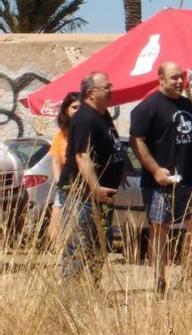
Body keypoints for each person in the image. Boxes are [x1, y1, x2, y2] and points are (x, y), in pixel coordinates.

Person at [130, 62, 192, 294]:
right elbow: (137, 141)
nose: (178, 82)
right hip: (159, 184)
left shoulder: (188, 106)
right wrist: (155, 169)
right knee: (159, 228)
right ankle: (159, 280)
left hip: (188, 181)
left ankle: (189, 277)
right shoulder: (148, 107)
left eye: (181, 77)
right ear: (160, 79)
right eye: (173, 77)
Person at [57, 71, 125, 282]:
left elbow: (111, 145)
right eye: (107, 87)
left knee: (100, 244)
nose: (111, 90)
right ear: (91, 93)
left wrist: (121, 169)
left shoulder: (102, 115)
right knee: (78, 245)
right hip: (82, 195)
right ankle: (70, 292)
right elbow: (82, 156)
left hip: (103, 197)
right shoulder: (84, 118)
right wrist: (95, 188)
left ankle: (92, 287)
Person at [47, 92, 81, 247]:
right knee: (57, 216)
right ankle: (57, 252)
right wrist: (59, 181)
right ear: (66, 110)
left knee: (77, 221)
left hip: (84, 185)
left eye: (82, 107)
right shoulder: (61, 134)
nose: (78, 111)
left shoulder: (87, 131)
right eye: (74, 107)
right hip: (66, 184)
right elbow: (55, 159)